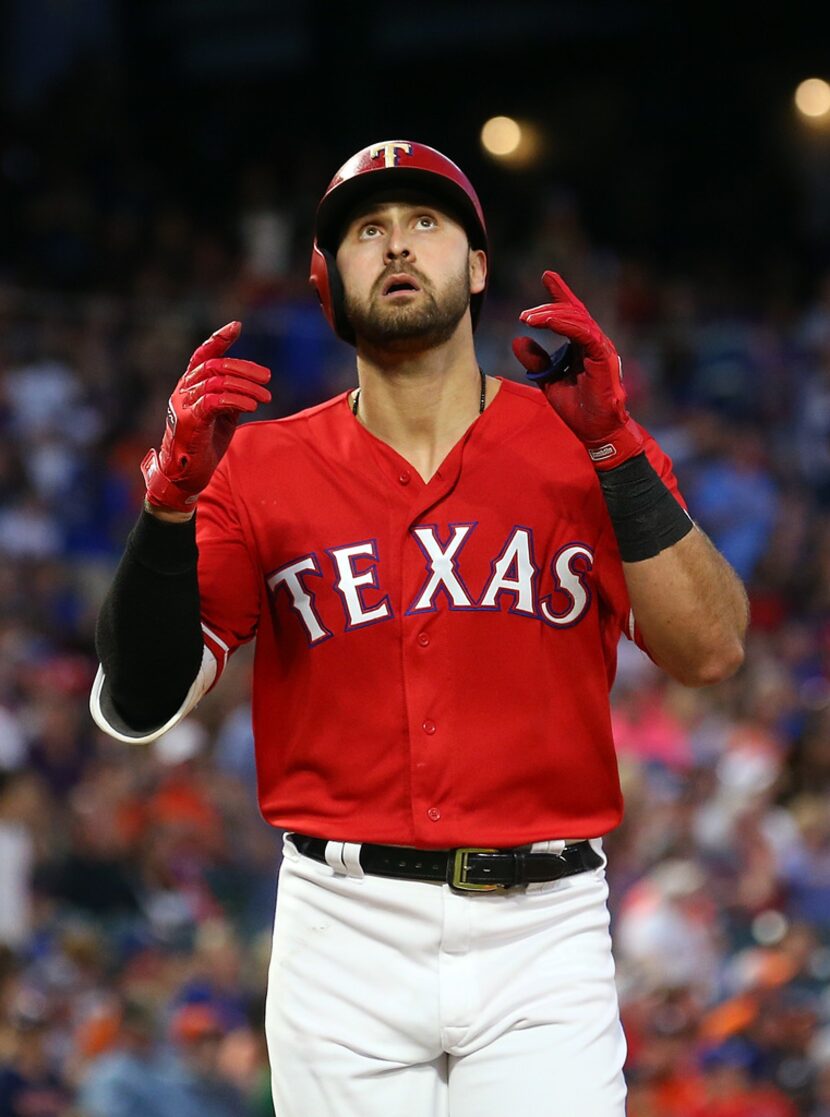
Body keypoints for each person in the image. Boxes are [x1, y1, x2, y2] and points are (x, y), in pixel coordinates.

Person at [90, 139, 749, 1116]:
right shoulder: (258, 466)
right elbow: (141, 701)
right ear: (325, 281)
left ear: (477, 268)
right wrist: (171, 504)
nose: (397, 245)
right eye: (367, 230)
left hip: (544, 922)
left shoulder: (581, 441)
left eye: (425, 223)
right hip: (341, 924)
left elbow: (709, 648)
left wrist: (614, 449)